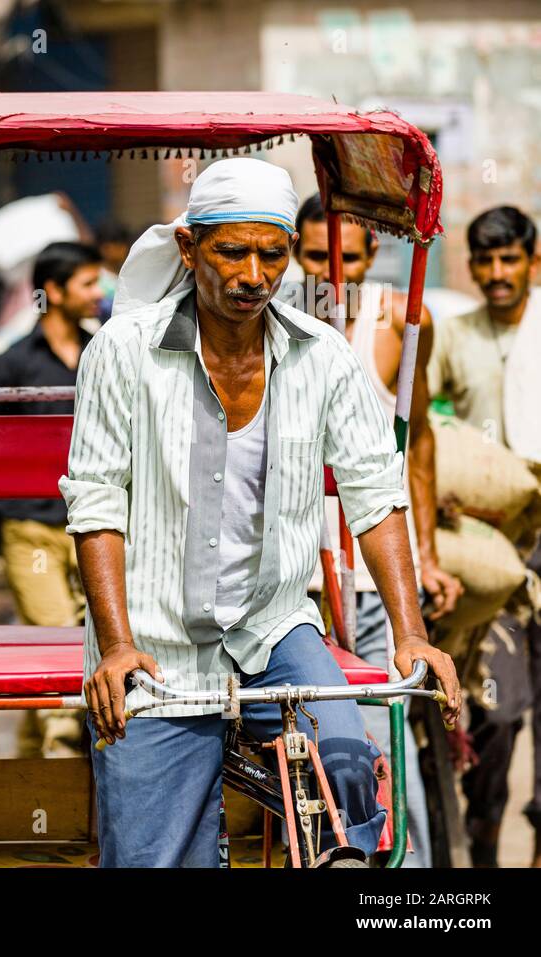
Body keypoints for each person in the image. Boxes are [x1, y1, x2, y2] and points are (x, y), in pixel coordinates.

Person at [62, 158, 460, 867]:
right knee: (155, 855)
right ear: (189, 250)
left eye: (272, 254)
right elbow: (95, 501)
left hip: (275, 625)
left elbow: (375, 489)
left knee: (348, 770)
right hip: (156, 636)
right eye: (232, 251)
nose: (253, 275)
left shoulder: (323, 356)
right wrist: (117, 643)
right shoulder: (122, 352)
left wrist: (410, 633)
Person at [291, 193, 462, 867]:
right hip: (293, 576)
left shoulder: (400, 320)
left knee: (383, 729)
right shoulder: (268, 322)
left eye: (349, 258)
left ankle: (405, 874)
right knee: (299, 740)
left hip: (367, 570)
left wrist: (425, 557)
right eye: (314, 258)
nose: (333, 274)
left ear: (371, 258)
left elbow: (414, 446)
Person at [0, 241, 103, 756]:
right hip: (29, 531)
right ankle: (64, 763)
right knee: (61, 648)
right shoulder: (9, 367)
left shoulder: (106, 354)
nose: (99, 294)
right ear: (53, 292)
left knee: (85, 647)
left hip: (97, 528)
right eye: (88, 284)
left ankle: (34, 797)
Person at [428, 205, 541, 867]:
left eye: (510, 260)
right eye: (485, 260)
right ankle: (486, 836)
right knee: (497, 709)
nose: (497, 274)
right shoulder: (453, 334)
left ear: (532, 261)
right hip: (491, 552)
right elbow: (418, 428)